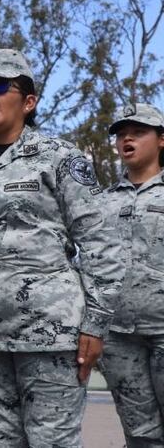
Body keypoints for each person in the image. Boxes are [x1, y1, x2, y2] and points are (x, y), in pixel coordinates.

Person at [0, 48, 125, 447]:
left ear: (29, 101)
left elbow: (101, 243)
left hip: (49, 335)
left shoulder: (60, 158)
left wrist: (96, 324)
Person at [99, 103, 164, 447]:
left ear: (161, 140)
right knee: (140, 434)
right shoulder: (102, 202)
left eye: (138, 132)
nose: (128, 139)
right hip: (118, 336)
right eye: (122, 134)